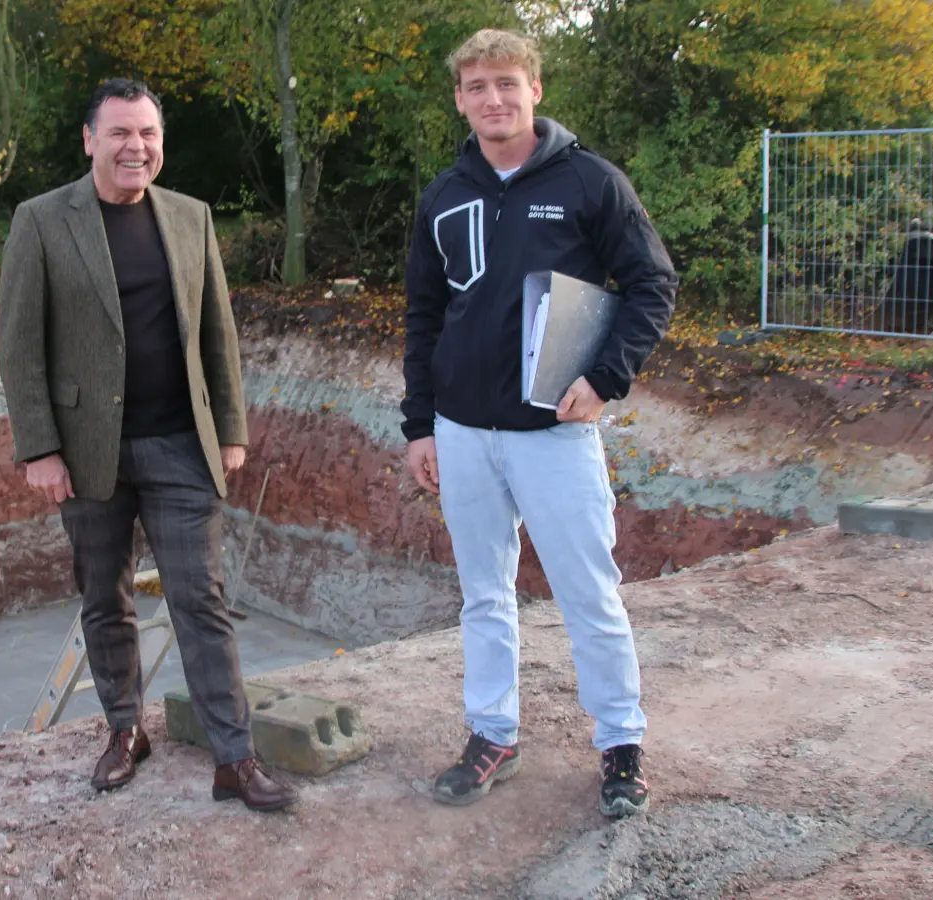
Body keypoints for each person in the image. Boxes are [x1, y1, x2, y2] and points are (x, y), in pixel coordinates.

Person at [0, 78, 298, 813]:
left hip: (179, 447)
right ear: (90, 139)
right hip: (86, 450)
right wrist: (39, 448)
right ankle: (125, 731)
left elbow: (216, 336)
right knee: (105, 601)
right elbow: (19, 345)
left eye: (149, 135)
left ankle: (235, 758)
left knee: (203, 601)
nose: (137, 147)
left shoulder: (190, 217)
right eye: (122, 133)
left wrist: (230, 429)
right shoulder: (41, 221)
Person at [399, 29, 678, 817]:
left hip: (554, 433)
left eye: (507, 84)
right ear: (459, 97)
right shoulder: (444, 194)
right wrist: (421, 425)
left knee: (589, 593)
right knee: (483, 595)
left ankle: (621, 747)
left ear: (535, 90)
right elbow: (424, 315)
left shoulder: (591, 183)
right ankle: (493, 734)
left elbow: (653, 283)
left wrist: (606, 376)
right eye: (478, 85)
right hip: (462, 433)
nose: (493, 98)